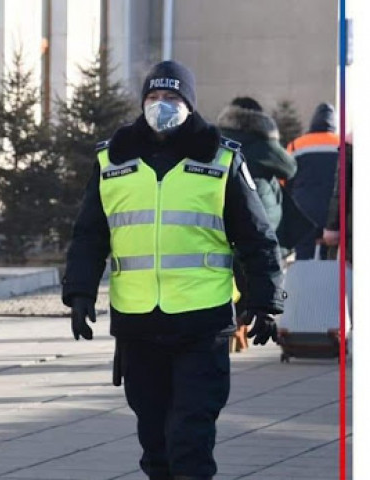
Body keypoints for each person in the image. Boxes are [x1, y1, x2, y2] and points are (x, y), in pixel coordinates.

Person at [62, 60, 285, 480]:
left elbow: (257, 237)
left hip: (202, 323)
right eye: (153, 97)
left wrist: (267, 300)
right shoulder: (113, 160)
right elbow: (90, 234)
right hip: (138, 323)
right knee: (154, 442)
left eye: (172, 98)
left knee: (190, 438)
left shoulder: (221, 161)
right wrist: (79, 293)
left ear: (189, 104)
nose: (161, 105)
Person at [216, 97, 298, 349]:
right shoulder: (262, 142)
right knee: (256, 267)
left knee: (230, 273)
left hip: (221, 210)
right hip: (260, 209)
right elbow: (289, 167)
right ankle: (242, 323)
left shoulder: (217, 138)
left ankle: (233, 326)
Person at [287, 103, 340, 259]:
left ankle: (303, 282)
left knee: (303, 253)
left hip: (304, 210)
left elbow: (285, 179)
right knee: (331, 256)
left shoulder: (297, 145)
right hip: (334, 212)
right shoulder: (343, 144)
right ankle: (327, 282)